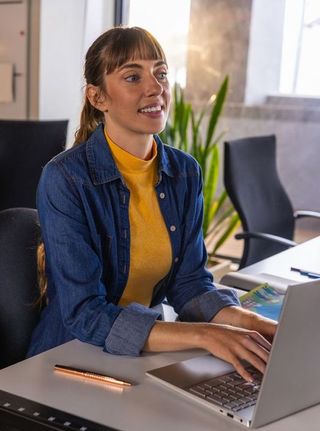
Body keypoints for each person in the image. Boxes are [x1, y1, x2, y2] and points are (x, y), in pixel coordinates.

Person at [27, 26, 276, 383]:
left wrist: (259, 326)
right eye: (133, 76)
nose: (155, 88)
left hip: (143, 352)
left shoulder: (183, 171)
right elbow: (86, 315)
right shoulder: (65, 178)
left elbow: (190, 285)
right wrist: (205, 334)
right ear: (98, 98)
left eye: (160, 73)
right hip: (70, 356)